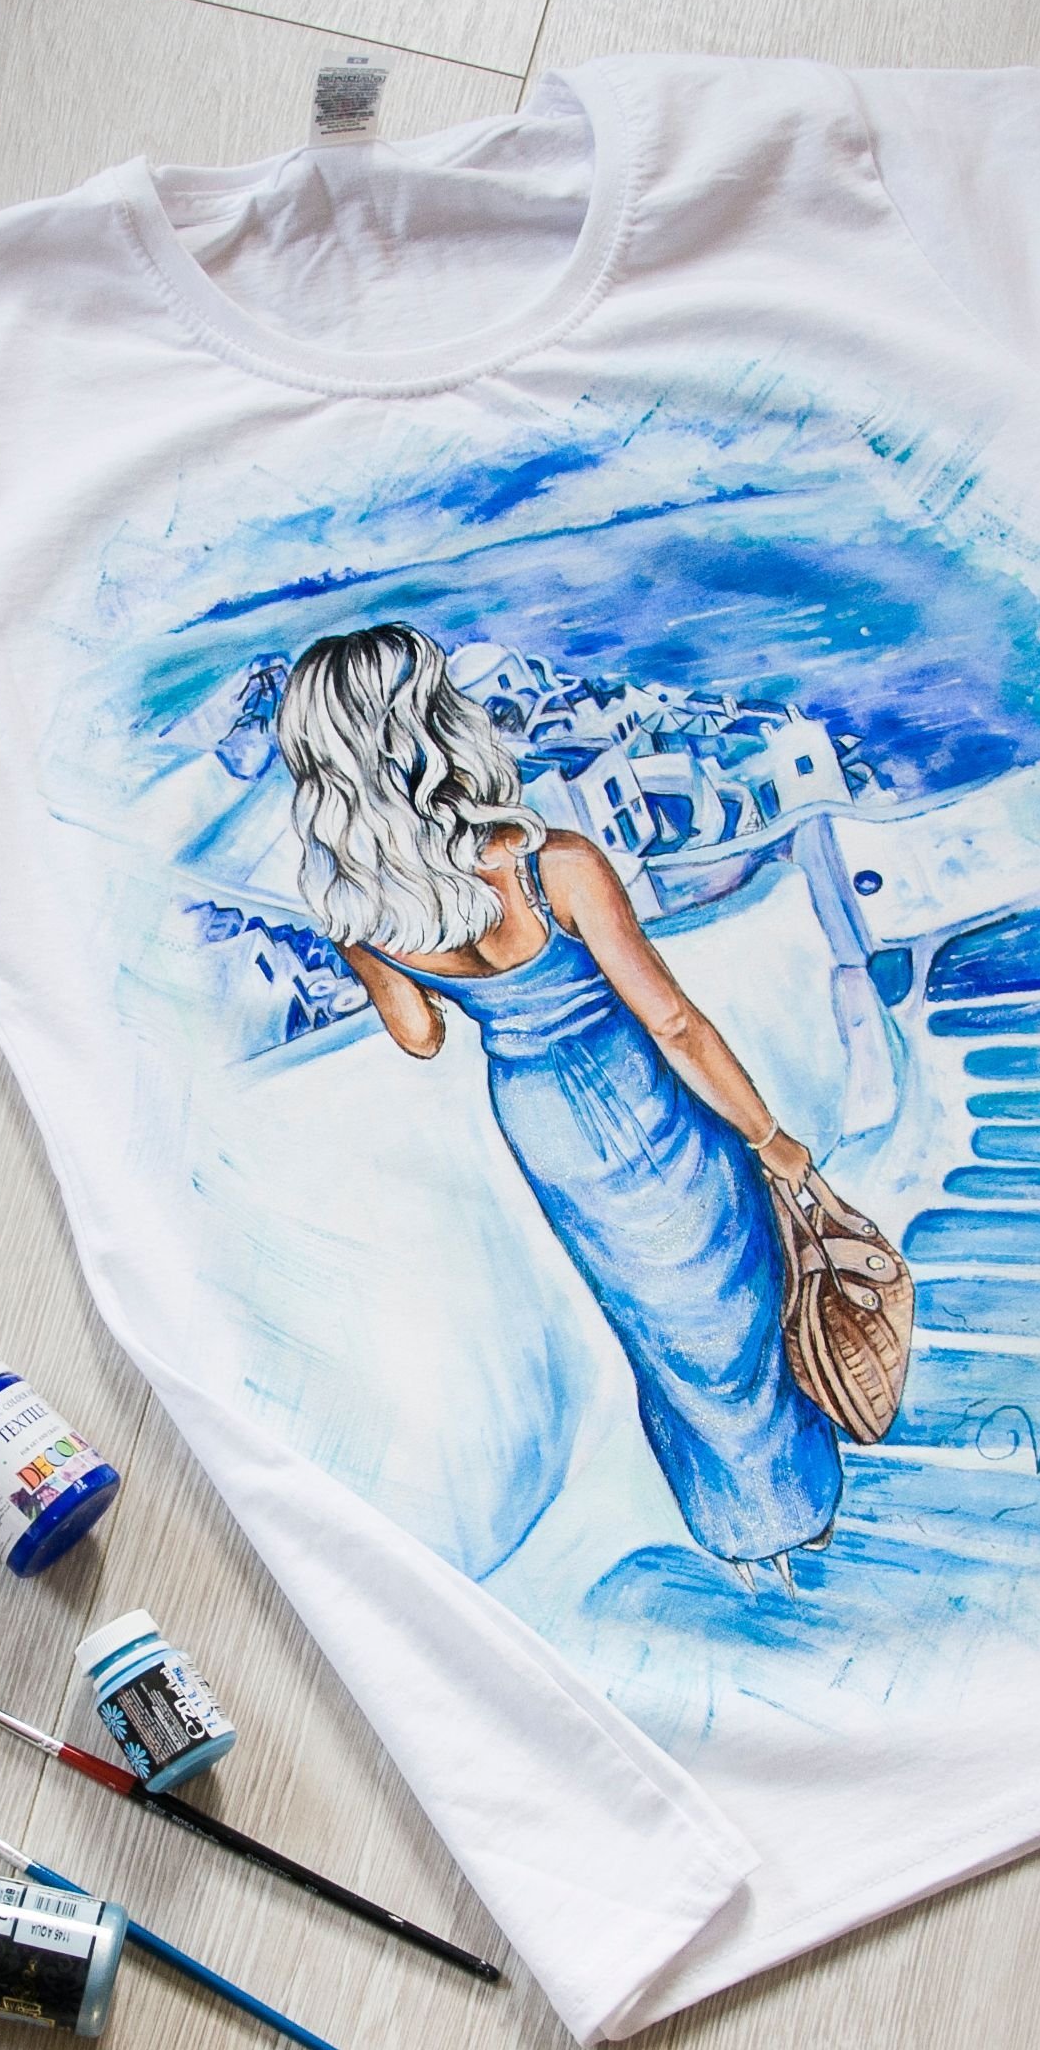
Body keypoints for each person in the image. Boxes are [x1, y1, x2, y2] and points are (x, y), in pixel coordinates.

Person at [273, 622, 844, 1588]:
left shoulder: (365, 914)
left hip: (546, 1127)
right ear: (436, 725)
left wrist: (363, 942)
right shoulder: (557, 863)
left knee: (657, 1329)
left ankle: (738, 1533)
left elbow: (420, 1035)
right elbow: (673, 1023)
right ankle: (798, 1507)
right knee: (739, 1298)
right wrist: (771, 1136)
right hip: (651, 1101)